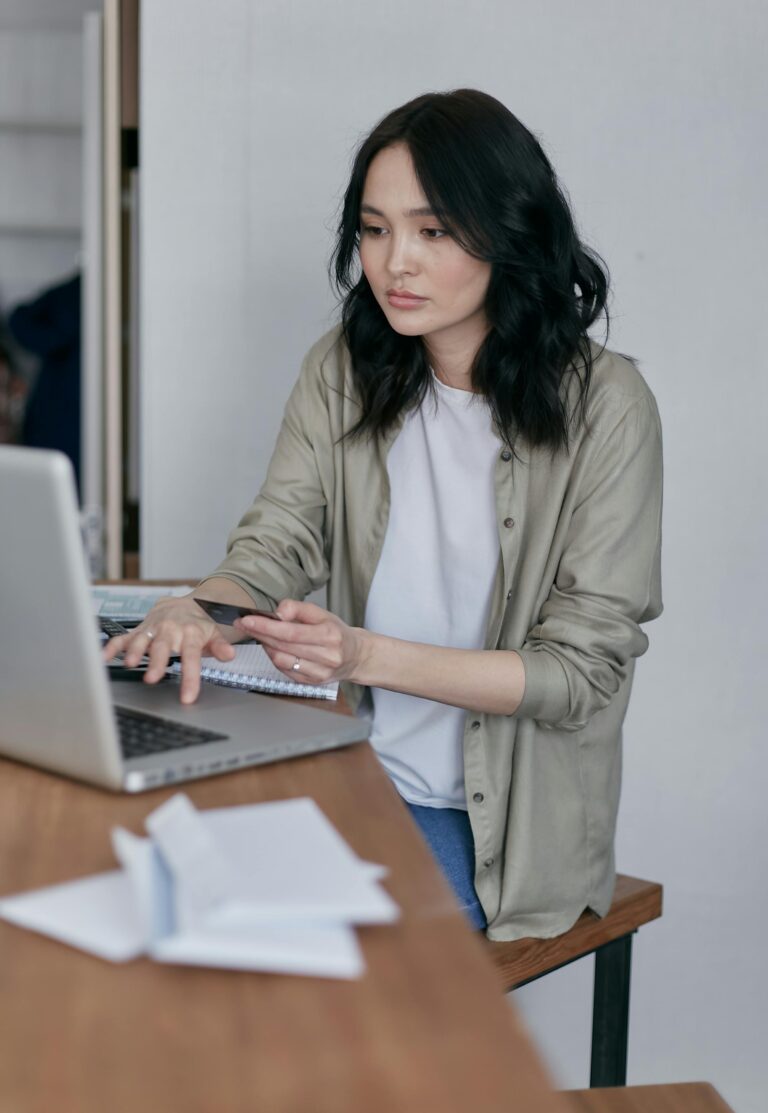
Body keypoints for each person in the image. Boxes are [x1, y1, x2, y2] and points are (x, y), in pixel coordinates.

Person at [104, 89, 663, 942]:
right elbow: (279, 536)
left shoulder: (608, 407)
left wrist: (361, 653)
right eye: (374, 229)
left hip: (488, 831)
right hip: (346, 766)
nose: (395, 261)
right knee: (142, 883)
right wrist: (196, 606)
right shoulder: (347, 365)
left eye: (433, 231)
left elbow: (577, 675)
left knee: (268, 949)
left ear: (508, 232)